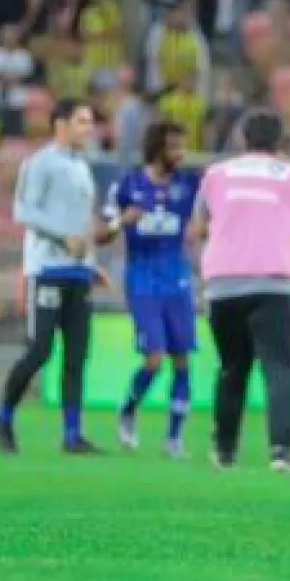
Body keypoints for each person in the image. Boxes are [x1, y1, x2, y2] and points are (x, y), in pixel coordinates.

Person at [195, 109, 290, 472]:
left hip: (224, 283)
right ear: (281, 142)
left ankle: (224, 451)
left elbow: (198, 225)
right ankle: (281, 451)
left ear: (241, 139)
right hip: (277, 282)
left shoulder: (216, 175)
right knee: (280, 368)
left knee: (231, 368)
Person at [0, 99, 101, 457]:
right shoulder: (40, 163)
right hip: (47, 269)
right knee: (40, 351)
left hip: (77, 271)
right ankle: (4, 415)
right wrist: (61, 237)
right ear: (61, 124)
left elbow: (80, 223)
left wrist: (91, 262)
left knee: (76, 356)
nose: (90, 128)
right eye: (82, 121)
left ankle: (72, 434)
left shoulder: (81, 167)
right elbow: (22, 210)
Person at [98, 120, 199, 460]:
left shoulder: (189, 185)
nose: (182, 154)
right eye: (175, 148)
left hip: (178, 279)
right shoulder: (128, 184)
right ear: (157, 149)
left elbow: (207, 219)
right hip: (142, 279)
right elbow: (100, 233)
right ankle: (128, 409)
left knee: (182, 360)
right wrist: (120, 222)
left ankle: (174, 437)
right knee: (154, 359)